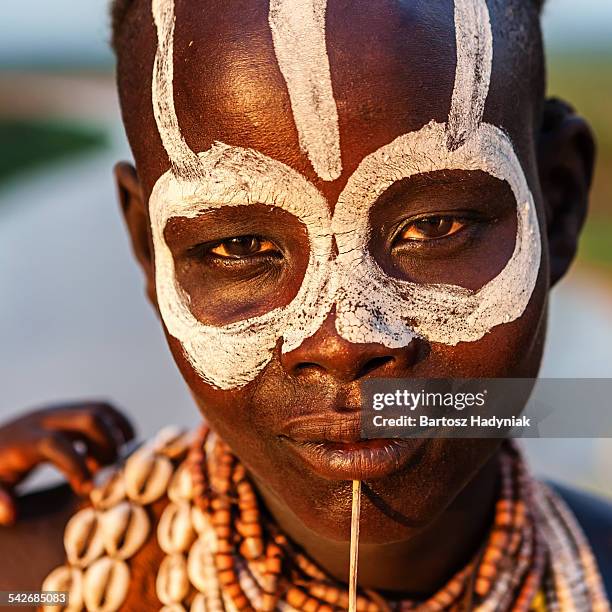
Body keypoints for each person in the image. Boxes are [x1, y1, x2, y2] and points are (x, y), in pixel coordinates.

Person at [1, 0, 611, 609]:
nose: (342, 340)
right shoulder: (30, 582)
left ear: (557, 207)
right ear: (148, 248)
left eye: (433, 226)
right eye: (241, 245)